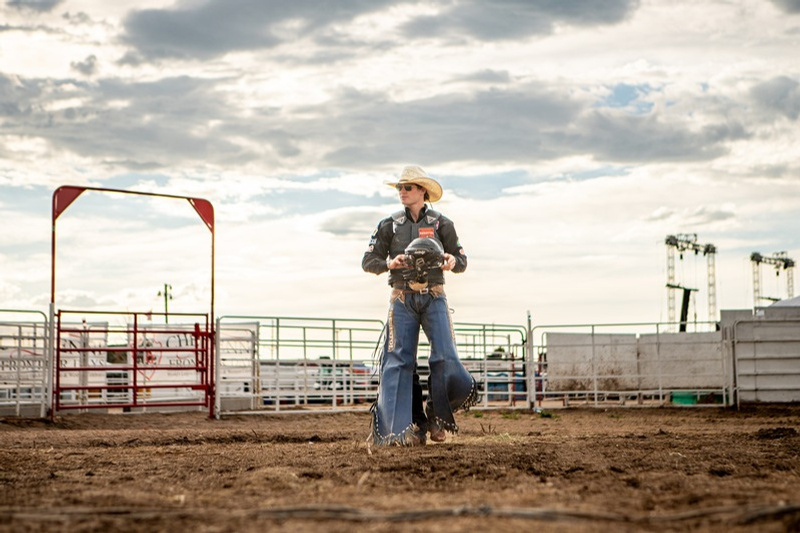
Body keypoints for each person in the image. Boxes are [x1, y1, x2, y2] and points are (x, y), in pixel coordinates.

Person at [362, 165, 478, 446]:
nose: (402, 192)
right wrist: (389, 263)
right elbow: (368, 261)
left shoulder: (442, 224)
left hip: (434, 295)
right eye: (400, 187)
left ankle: (437, 415)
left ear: (422, 191)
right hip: (401, 297)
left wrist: (452, 261)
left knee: (445, 356)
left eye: (408, 187)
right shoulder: (389, 225)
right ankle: (403, 429)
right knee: (398, 363)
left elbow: (462, 261)